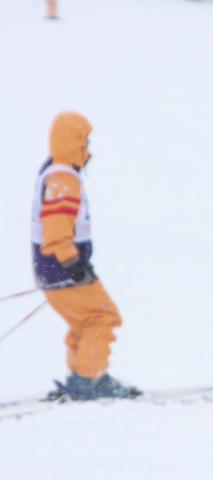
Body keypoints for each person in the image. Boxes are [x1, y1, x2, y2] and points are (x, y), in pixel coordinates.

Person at [32, 112, 141, 401]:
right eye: (85, 140)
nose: (87, 146)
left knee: (85, 322)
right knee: (102, 317)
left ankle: (81, 377)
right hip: (64, 267)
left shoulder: (56, 170)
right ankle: (90, 380)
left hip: (53, 268)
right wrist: (72, 264)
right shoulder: (63, 179)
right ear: (74, 140)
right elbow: (56, 228)